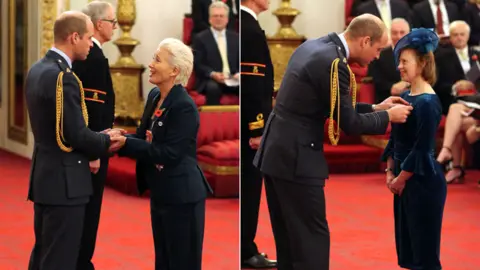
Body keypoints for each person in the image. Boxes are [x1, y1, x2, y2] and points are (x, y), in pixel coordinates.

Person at [253, 14, 414, 270]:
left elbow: (334, 106)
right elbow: (348, 123)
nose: (378, 56)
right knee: (310, 241)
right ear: (365, 40)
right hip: (297, 158)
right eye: (378, 48)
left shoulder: (315, 46)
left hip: (277, 154)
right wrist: (387, 116)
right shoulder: (333, 62)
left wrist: (374, 106)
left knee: (290, 240)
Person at [25, 11, 123, 270]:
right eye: (89, 38)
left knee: (44, 255)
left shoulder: (37, 69)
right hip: (66, 182)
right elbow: (75, 134)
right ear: (74, 36)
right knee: (60, 259)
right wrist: (105, 141)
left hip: (45, 177)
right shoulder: (64, 78)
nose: (91, 44)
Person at [112, 38, 212, 270]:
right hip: (161, 192)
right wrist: (116, 138)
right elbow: (141, 135)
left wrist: (124, 144)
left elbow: (169, 153)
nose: (151, 64)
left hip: (182, 195)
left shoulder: (184, 106)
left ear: (175, 71)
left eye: (157, 60)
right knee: (164, 261)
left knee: (181, 262)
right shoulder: (155, 96)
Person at [383, 28, 447, 270]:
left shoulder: (429, 102)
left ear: (422, 63)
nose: (399, 66)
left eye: (404, 61)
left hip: (422, 182)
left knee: (424, 252)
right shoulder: (406, 95)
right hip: (402, 178)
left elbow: (422, 149)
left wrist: (400, 178)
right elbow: (395, 139)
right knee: (408, 249)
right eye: (399, 61)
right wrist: (390, 171)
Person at [72, 1, 118, 269]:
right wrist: (96, 152)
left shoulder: (92, 55)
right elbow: (91, 111)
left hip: (92, 145)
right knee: (89, 211)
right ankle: (82, 262)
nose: (115, 27)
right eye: (113, 22)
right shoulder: (94, 58)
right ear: (99, 24)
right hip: (94, 148)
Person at [240, 0, 277, 268]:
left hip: (248, 119)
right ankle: (244, 250)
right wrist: (257, 128)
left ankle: (246, 246)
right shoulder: (249, 28)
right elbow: (252, 85)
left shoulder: (245, 24)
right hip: (250, 125)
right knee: (250, 188)